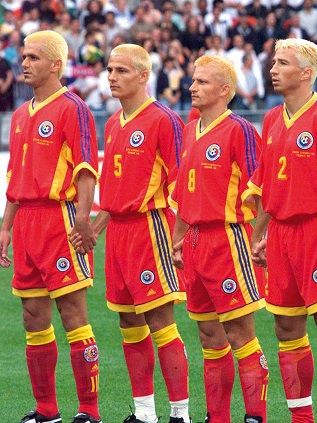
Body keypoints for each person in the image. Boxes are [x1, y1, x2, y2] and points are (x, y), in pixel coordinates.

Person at [245, 38, 317, 423]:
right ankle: (302, 418)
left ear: (307, 73)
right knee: (286, 325)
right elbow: (265, 187)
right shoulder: (273, 119)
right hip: (280, 234)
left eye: (283, 63)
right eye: (273, 61)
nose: (273, 69)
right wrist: (260, 233)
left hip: (316, 229)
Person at [77, 44, 190, 423]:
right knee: (128, 321)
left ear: (143, 75)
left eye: (122, 70)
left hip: (150, 228)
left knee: (160, 320)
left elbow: (182, 186)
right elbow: (112, 189)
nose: (112, 77)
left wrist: (178, 238)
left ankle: (181, 414)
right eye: (110, 70)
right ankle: (145, 414)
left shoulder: (164, 120)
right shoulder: (111, 123)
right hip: (119, 236)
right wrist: (94, 228)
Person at [0, 30, 101, 423]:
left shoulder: (73, 108)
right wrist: (6, 228)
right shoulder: (22, 115)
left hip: (59, 220)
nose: (25, 63)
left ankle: (89, 411)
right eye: (23, 57)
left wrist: (82, 220)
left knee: (73, 313)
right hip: (25, 221)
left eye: (34, 57)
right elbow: (15, 177)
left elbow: (86, 172)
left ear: (56, 65)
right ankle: (47, 410)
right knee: (32, 316)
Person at [171, 55, 268, 423]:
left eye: (202, 83)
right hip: (194, 241)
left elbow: (259, 191)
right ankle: (218, 416)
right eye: (193, 81)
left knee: (239, 331)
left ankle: (255, 415)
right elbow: (183, 192)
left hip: (229, 240)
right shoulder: (189, 128)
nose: (193, 87)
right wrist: (178, 239)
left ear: (225, 90)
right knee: (209, 336)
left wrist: (261, 238)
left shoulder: (239, 130)